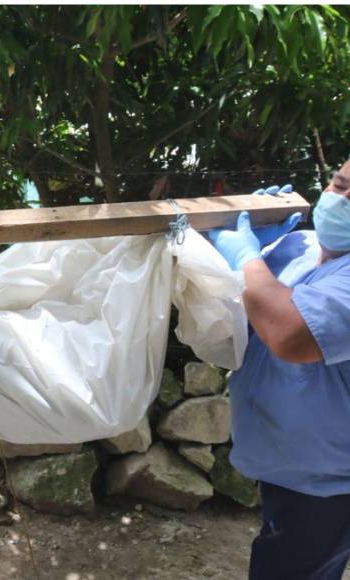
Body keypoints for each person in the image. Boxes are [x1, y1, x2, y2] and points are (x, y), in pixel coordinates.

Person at [209, 160, 350, 580]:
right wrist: (261, 247)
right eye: (340, 185)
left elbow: (290, 333)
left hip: (328, 487)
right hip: (291, 469)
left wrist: (248, 256)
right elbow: (247, 296)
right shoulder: (301, 244)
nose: (341, 201)